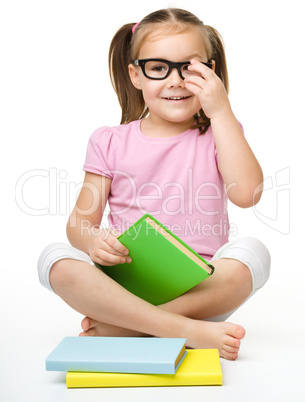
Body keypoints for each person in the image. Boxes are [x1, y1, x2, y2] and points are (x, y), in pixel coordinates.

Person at [37, 8, 270, 360]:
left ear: (212, 72)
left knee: (254, 254)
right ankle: (181, 329)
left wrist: (221, 110)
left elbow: (247, 194)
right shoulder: (109, 141)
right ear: (135, 75)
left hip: (200, 291)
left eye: (190, 68)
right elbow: (80, 222)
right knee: (53, 261)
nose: (176, 80)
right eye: (158, 68)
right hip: (124, 288)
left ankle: (128, 328)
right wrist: (92, 240)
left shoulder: (220, 133)